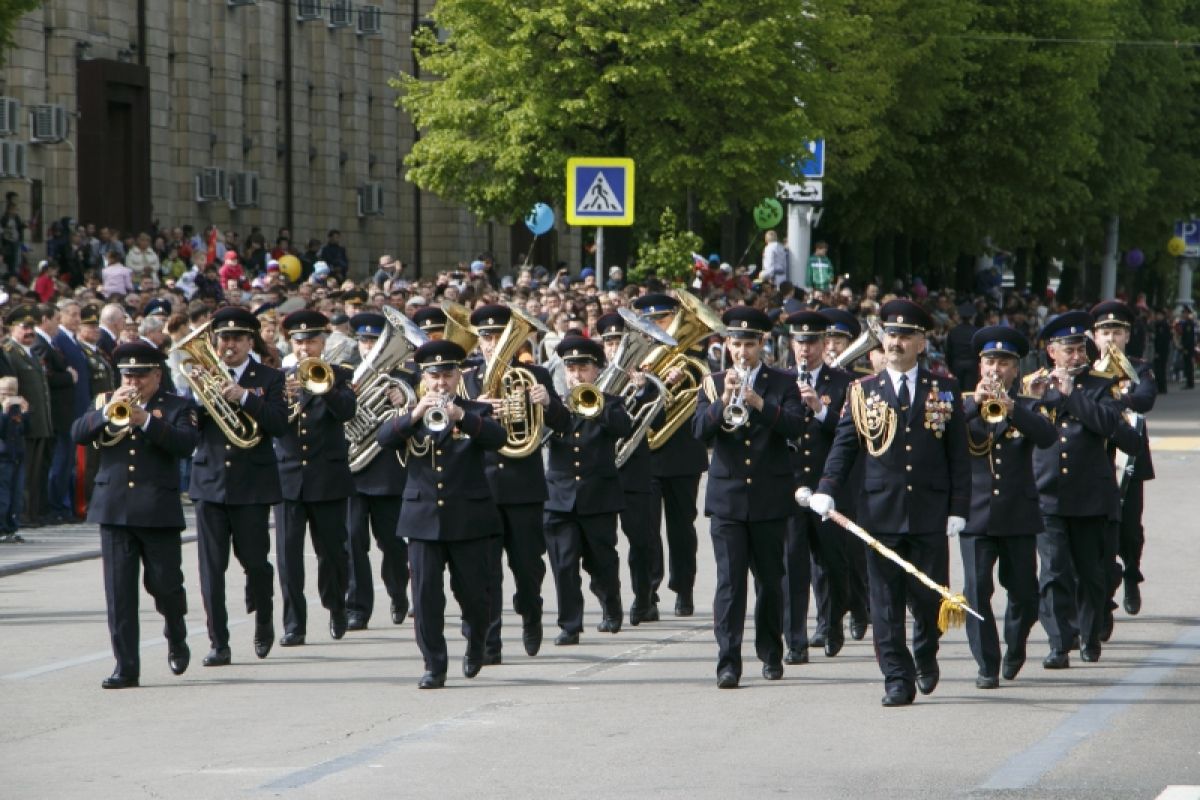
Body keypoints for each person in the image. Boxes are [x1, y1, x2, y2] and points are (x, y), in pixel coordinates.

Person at [812, 299, 970, 706]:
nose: (896, 342)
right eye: (891, 335)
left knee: (928, 598)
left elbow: (958, 455)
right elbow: (845, 445)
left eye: (905, 335)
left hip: (929, 512)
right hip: (879, 513)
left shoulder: (945, 389)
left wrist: (959, 508)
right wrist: (827, 486)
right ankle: (897, 678)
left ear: (922, 342)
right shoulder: (863, 390)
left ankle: (926, 654)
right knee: (884, 603)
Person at [377, 339, 506, 688]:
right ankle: (434, 665)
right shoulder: (411, 413)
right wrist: (415, 413)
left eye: (447, 375)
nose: (441, 383)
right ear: (424, 377)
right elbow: (384, 439)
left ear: (458, 376)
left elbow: (498, 439)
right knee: (425, 598)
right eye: (434, 376)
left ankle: (477, 643)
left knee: (475, 596)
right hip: (422, 519)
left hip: (468, 518)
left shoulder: (476, 410)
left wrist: (462, 416)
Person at [70, 342, 199, 689]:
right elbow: (78, 433)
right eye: (128, 375)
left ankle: (176, 632)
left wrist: (146, 421)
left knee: (166, 586)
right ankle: (126, 667)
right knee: (120, 594)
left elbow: (186, 444)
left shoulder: (177, 406)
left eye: (140, 375)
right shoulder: (105, 400)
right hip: (114, 509)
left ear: (157, 374)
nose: (133, 382)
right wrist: (106, 412)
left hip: (157, 510)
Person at [692, 307, 804, 688]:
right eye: (736, 344)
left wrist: (759, 403)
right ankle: (728, 662)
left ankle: (771, 652)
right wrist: (723, 400)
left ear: (761, 345)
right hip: (727, 499)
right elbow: (699, 432)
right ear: (727, 345)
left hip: (770, 498)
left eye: (749, 345)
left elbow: (795, 426)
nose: (742, 352)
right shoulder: (712, 383)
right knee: (730, 583)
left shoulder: (783, 382)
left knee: (770, 582)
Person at [464, 304, 566, 661]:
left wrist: (548, 403)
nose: (492, 343)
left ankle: (531, 613)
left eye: (498, 336)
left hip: (523, 487)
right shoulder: (467, 379)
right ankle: (490, 644)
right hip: (481, 488)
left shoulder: (534, 374)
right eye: (486, 337)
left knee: (527, 568)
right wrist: (474, 409)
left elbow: (564, 424)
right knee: (485, 572)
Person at [189, 307, 290, 666]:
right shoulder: (201, 375)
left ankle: (264, 619)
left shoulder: (269, 378)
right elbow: (188, 426)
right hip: (210, 483)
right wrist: (197, 401)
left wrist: (245, 397)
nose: (228, 345)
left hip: (252, 485)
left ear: (250, 342)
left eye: (236, 338)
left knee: (256, 564)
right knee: (211, 570)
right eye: (223, 338)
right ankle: (219, 643)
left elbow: (280, 424)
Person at [1024, 311, 1124, 669]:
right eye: (1069, 350)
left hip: (1089, 494)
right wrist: (1033, 401)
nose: (1077, 356)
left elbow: (1111, 425)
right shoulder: (1034, 384)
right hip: (1047, 493)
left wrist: (1072, 396)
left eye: (1080, 348)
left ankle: (1090, 634)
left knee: (1090, 573)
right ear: (1052, 352)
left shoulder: (1101, 385)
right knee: (1053, 572)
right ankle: (1059, 641)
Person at [960, 326, 1055, 688]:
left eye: (1003, 363)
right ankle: (987, 664)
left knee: (1025, 594)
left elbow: (1046, 437)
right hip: (976, 516)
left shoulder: (1028, 406)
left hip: (1017, 514)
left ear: (1016, 369)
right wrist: (973, 404)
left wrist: (1014, 410)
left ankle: (1015, 646)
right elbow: (942, 432)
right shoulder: (963, 405)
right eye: (989, 362)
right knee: (975, 592)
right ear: (980, 366)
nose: (995, 369)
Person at [274, 310, 357, 646]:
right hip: (288, 478)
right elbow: (270, 423)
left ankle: (336, 606)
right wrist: (282, 399)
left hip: (327, 477)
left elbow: (347, 411)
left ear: (323, 343)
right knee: (288, 557)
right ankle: (294, 624)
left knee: (333, 553)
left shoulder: (340, 374)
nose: (304, 347)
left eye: (310, 341)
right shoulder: (279, 379)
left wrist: (323, 388)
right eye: (299, 342)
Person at [543, 335, 632, 644]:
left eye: (583, 369)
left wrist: (598, 404)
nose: (577, 375)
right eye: (571, 369)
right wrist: (546, 405)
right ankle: (570, 625)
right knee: (564, 564)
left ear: (596, 371)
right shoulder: (553, 403)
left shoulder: (612, 401)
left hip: (598, 497)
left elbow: (623, 427)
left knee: (601, 561)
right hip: (559, 497)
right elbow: (544, 430)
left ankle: (611, 604)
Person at [779, 310, 853, 665]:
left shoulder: (844, 383)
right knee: (792, 566)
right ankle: (795, 641)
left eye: (811, 342)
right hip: (791, 487)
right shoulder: (780, 380)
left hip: (828, 486)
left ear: (824, 344)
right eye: (799, 342)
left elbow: (852, 433)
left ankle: (831, 623)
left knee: (832, 563)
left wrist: (820, 411)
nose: (804, 349)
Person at [632, 293, 708, 617]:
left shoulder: (693, 357)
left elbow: (705, 396)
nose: (655, 327)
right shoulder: (635, 357)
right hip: (644, 455)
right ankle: (647, 593)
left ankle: (684, 589)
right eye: (648, 321)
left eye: (661, 320)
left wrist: (676, 383)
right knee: (645, 530)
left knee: (681, 529)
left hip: (681, 453)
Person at [343, 311, 413, 631]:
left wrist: (404, 401)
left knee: (393, 545)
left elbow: (415, 420)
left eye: (374, 340)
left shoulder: (403, 379)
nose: (368, 346)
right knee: (353, 542)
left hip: (387, 472)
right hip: (352, 472)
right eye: (364, 341)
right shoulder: (344, 375)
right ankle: (357, 608)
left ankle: (398, 592)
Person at [596, 311, 665, 625]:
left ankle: (644, 598)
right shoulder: (592, 379)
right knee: (600, 545)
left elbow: (658, 420)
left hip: (634, 470)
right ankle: (608, 605)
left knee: (641, 541)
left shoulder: (646, 379)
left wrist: (642, 391)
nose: (615, 349)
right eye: (610, 343)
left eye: (619, 342)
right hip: (600, 472)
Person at [1090, 301, 1157, 620]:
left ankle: (1131, 573)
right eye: (1105, 333)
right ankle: (1103, 600)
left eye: (1117, 332)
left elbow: (1145, 398)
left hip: (1129, 458)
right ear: (1094, 337)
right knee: (1098, 532)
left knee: (1130, 529)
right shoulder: (1087, 370)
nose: (1111, 339)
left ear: (1127, 336)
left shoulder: (1138, 368)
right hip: (1093, 459)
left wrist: (1113, 398)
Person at [0, 376, 29, 542]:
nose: (7, 396)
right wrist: (4, 412)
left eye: (11, 393)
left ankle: (12, 527)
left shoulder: (16, 410)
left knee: (16, 495)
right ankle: (1, 527)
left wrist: (25, 413)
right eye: (3, 393)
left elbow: (26, 431)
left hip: (17, 457)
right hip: (3, 458)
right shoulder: (4, 411)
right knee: (3, 496)